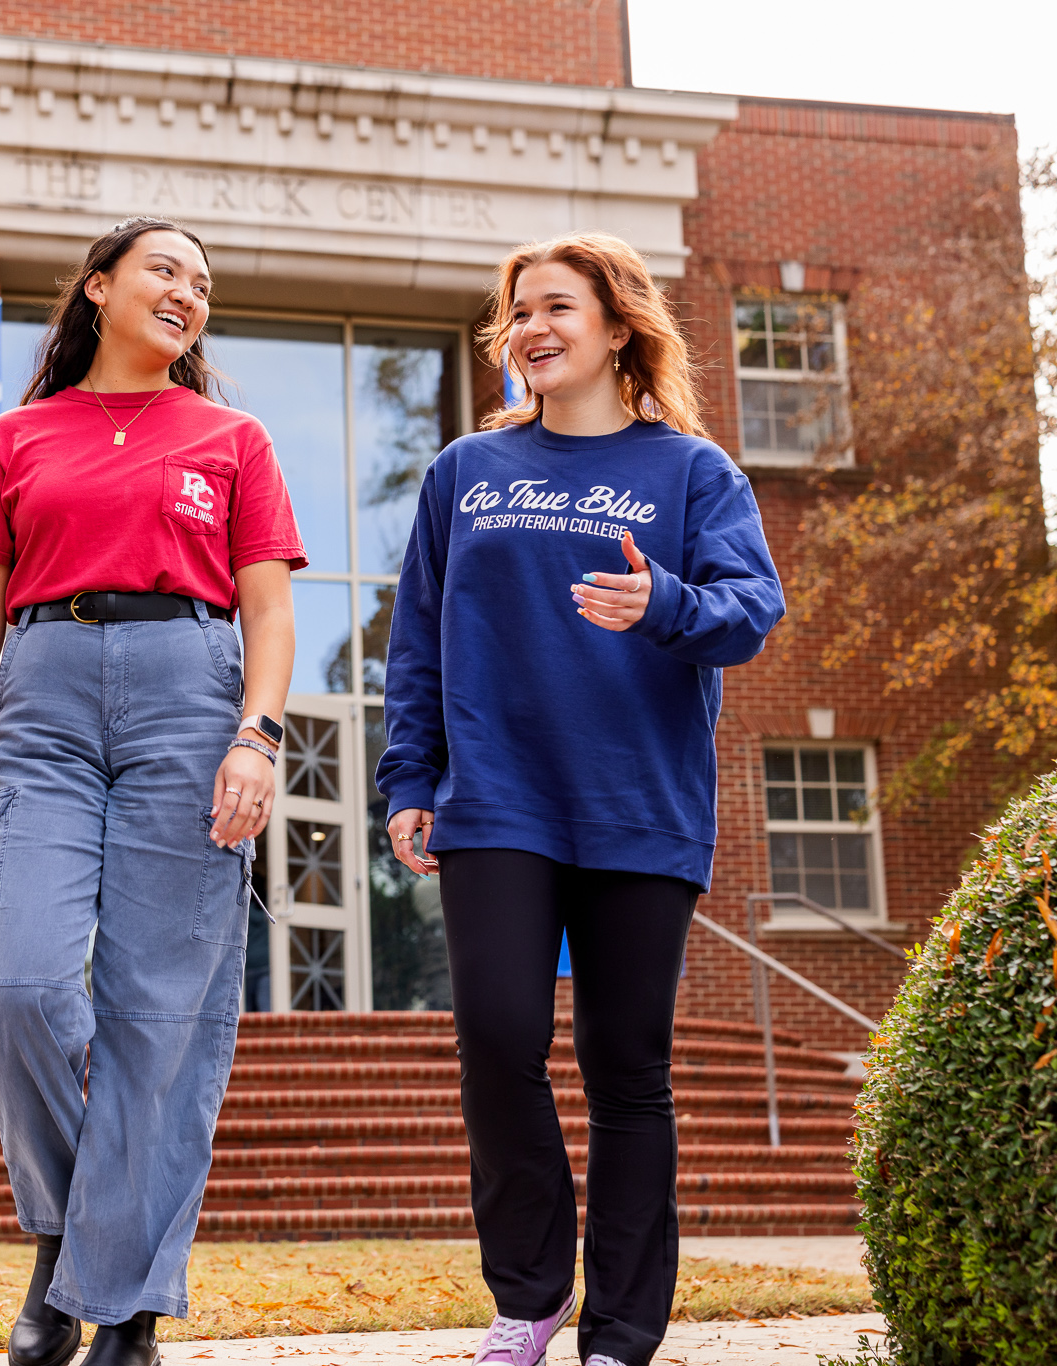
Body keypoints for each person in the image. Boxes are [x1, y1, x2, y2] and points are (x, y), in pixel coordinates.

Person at [377, 232, 785, 1366]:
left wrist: (662, 602)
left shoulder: (692, 472)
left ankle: (619, 1327)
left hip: (635, 803)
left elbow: (750, 610)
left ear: (617, 326)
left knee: (624, 1062)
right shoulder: (466, 472)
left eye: (554, 306)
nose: (529, 329)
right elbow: (416, 638)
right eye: (515, 313)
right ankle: (526, 1296)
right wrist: (409, 777)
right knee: (497, 1037)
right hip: (496, 798)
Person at [0, 216, 303, 1366]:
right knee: (19, 978)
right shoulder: (17, 437)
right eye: (165, 269)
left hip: (192, 692)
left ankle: (119, 1307)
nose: (189, 290)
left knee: (159, 1017)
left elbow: (269, 609)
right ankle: (73, 1236)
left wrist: (257, 737)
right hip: (46, 698)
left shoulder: (233, 437)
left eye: (202, 281)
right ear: (99, 287)